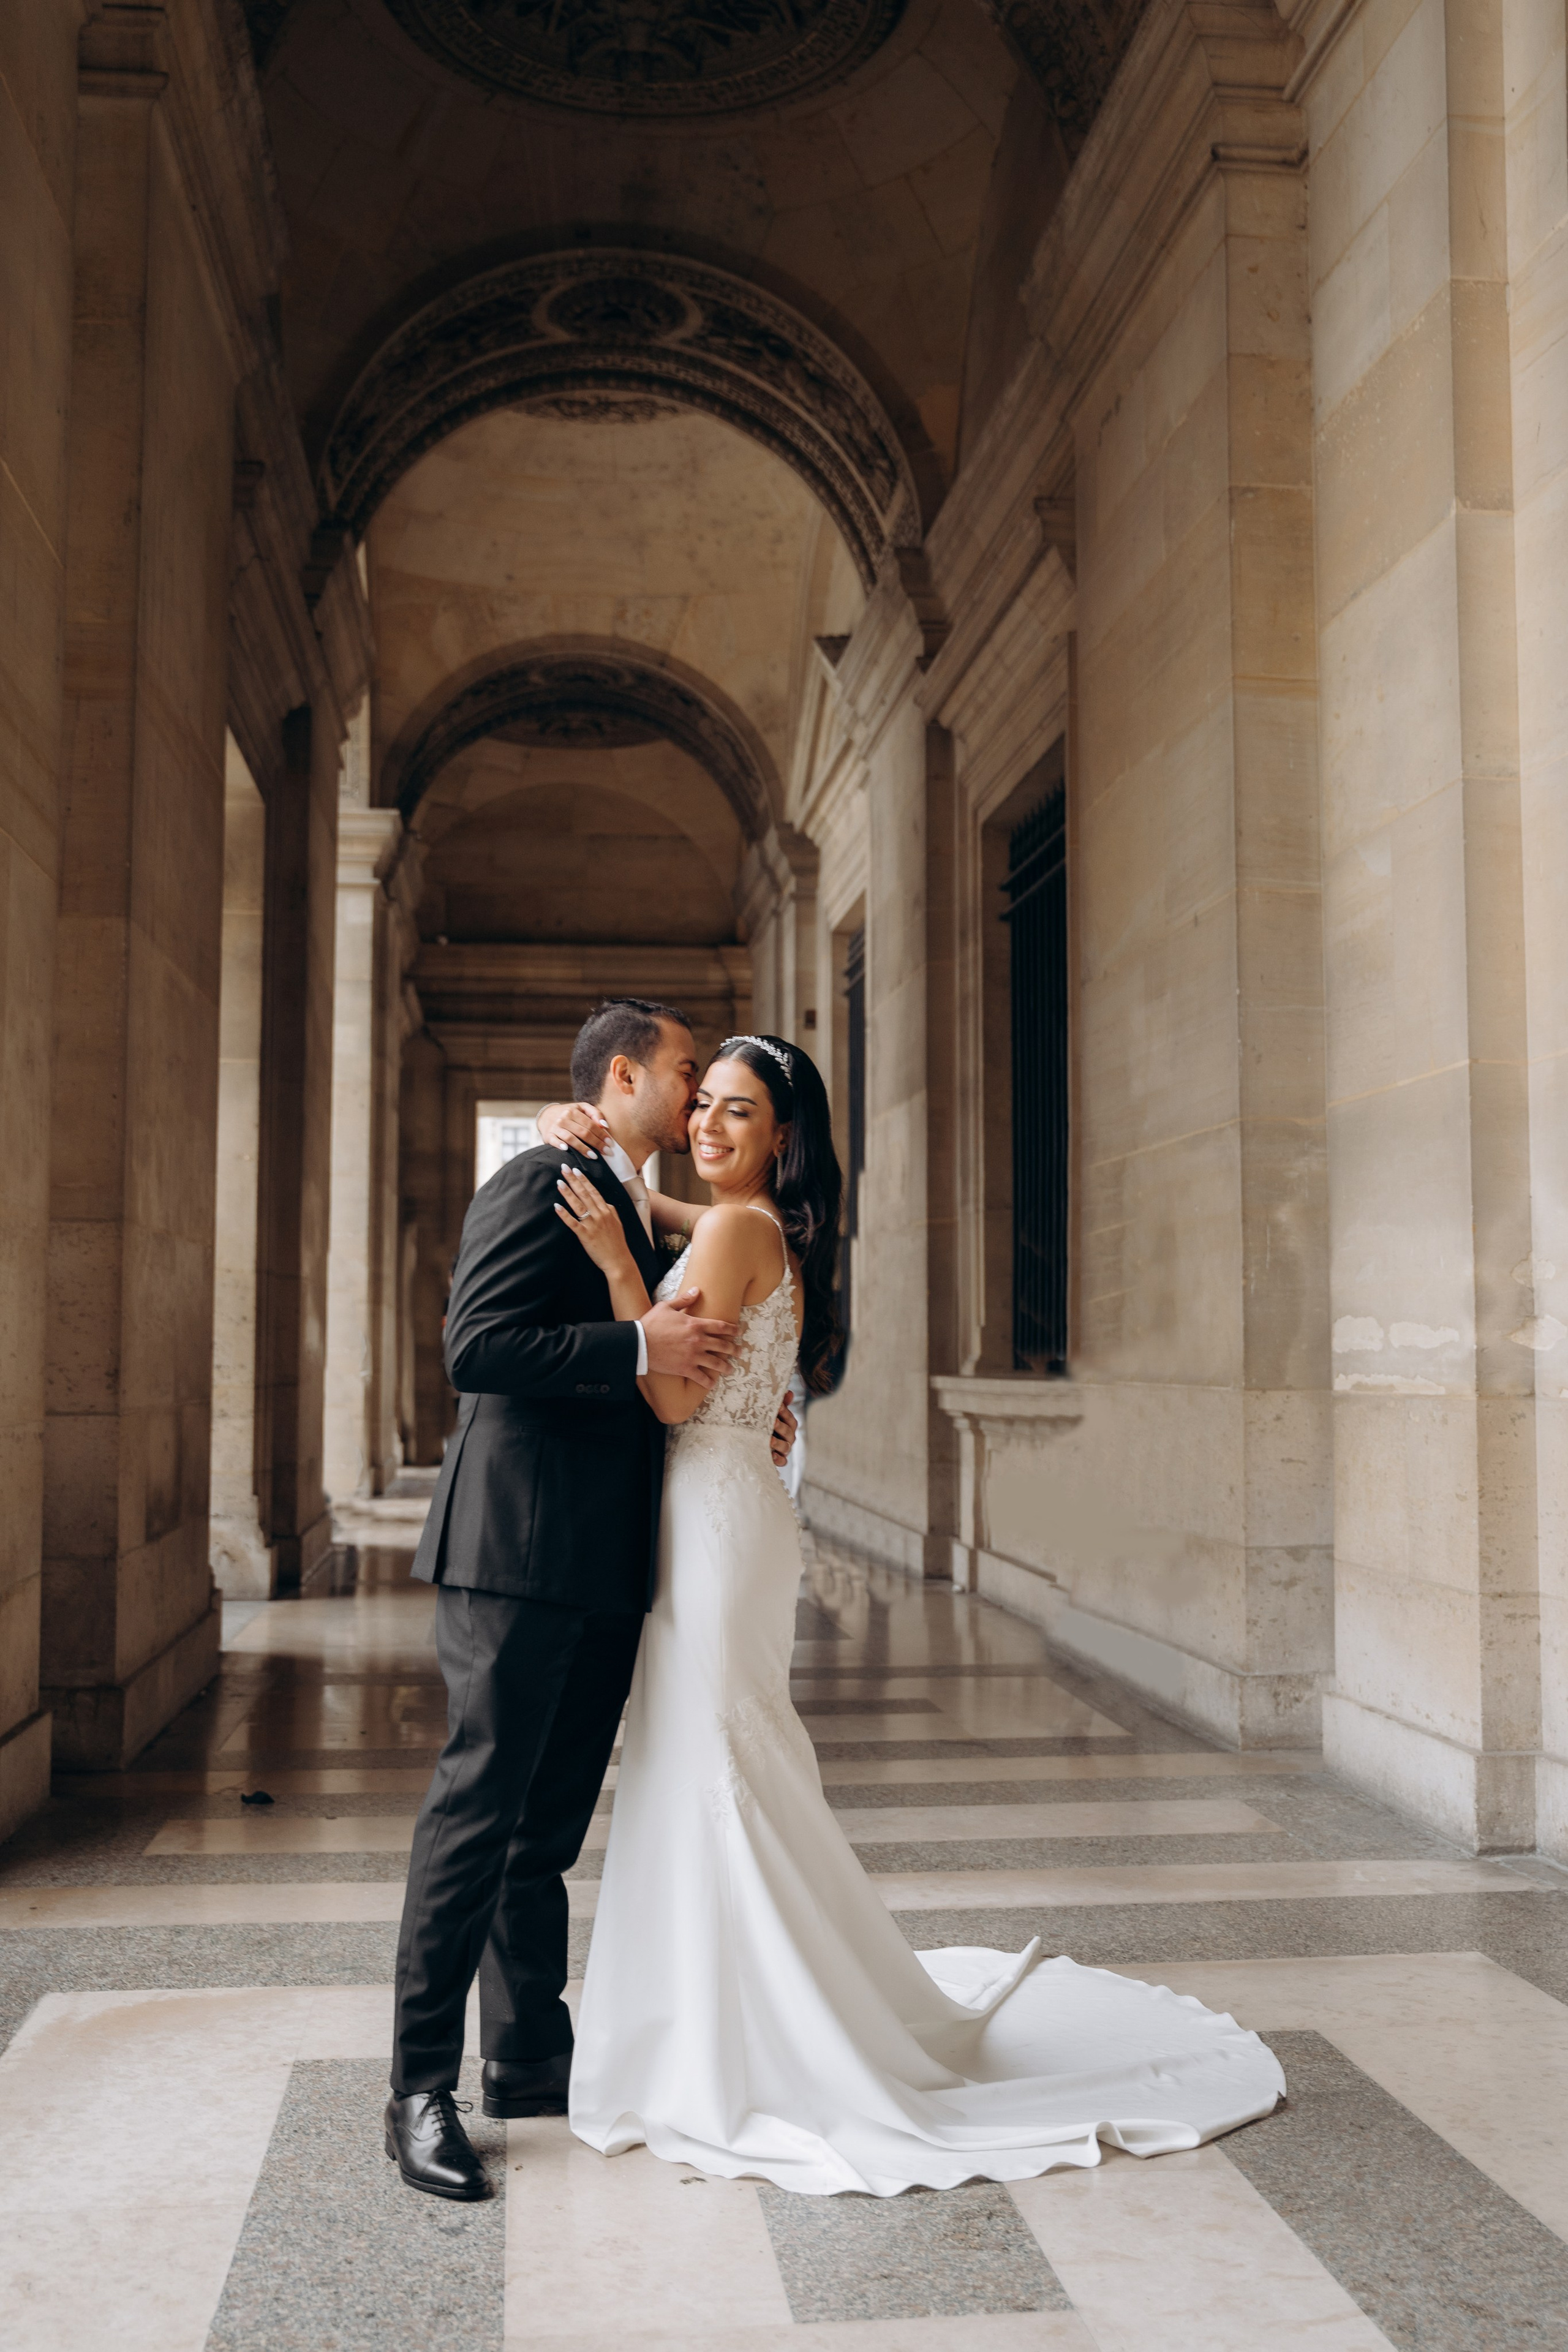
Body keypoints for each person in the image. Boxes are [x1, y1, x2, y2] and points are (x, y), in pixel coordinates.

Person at [537, 1033, 1285, 2196]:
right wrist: (631, 1188)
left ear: (782, 1136)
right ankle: (741, 2009)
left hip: (712, 1516)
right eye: (707, 1108)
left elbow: (673, 1387)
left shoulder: (739, 1229)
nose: (711, 1128)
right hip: (733, 1507)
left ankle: (726, 2033)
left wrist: (618, 1268)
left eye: (740, 1114)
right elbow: (695, 1227)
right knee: (723, 1755)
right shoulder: (751, 1225)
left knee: (708, 1759)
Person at [383, 1000, 797, 2201]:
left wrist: (738, 1395)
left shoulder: (627, 1196)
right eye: (681, 1072)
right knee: (475, 1813)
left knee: (543, 1834)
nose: (693, 1094)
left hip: (614, 1563)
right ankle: (418, 2088)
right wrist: (634, 1351)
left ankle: (525, 2060)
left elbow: (721, 1291)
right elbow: (476, 1347)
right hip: (514, 1552)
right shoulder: (539, 1181)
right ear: (621, 1076)